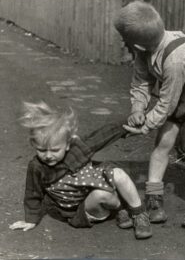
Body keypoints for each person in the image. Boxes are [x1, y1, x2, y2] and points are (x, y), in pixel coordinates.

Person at [114, 0, 185, 229]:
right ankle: (154, 197)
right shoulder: (144, 51)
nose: (124, 44)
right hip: (173, 93)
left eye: (125, 41)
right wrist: (137, 109)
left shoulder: (176, 61)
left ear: (138, 46)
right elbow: (141, 81)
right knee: (163, 143)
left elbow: (165, 106)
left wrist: (144, 126)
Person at [9, 102, 152, 239]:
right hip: (81, 208)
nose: (48, 155)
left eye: (55, 150)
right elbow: (33, 193)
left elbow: (103, 134)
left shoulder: (77, 148)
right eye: (41, 150)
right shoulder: (37, 166)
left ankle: (138, 213)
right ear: (33, 145)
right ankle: (121, 207)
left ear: (67, 145)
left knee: (119, 174)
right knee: (102, 195)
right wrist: (31, 219)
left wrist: (128, 122)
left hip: (93, 184)